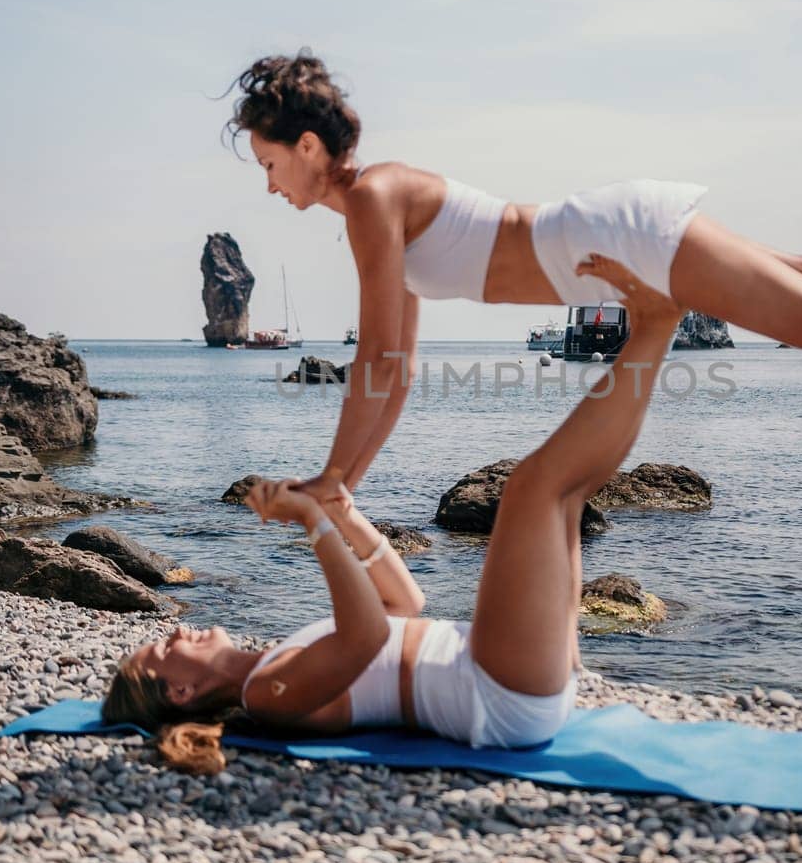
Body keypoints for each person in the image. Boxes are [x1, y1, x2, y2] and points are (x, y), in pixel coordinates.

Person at [231, 52, 802, 522]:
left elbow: (379, 354)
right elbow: (401, 370)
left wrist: (331, 474)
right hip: (617, 231)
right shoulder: (381, 198)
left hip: (618, 238)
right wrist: (348, 482)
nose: (271, 185)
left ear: (310, 146)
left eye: (271, 163)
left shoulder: (372, 198)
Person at [104, 257, 683, 772]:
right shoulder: (268, 695)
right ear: (181, 691)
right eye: (160, 649)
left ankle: (656, 325)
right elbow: (370, 635)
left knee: (565, 491)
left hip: (506, 671)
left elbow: (403, 606)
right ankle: (656, 325)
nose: (174, 631)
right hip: (497, 691)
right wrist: (313, 524)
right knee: (535, 487)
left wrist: (345, 515)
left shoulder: (273, 663)